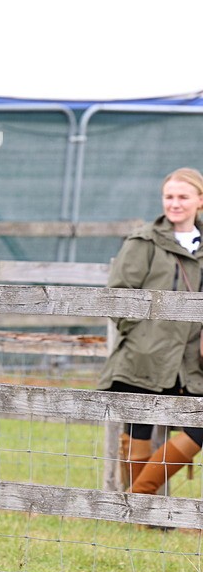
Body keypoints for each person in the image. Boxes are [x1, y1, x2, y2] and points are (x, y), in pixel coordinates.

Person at [99, 167, 203, 496]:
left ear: (199, 201)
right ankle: (146, 517)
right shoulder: (143, 241)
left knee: (198, 425)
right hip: (143, 357)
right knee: (138, 429)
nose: (175, 204)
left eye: (183, 197)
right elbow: (119, 295)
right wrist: (146, 335)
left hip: (190, 361)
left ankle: (138, 498)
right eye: (169, 197)